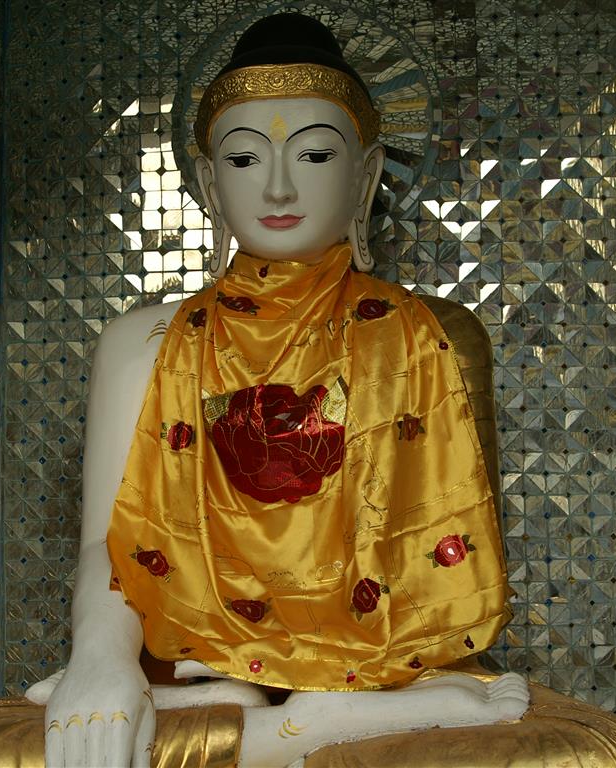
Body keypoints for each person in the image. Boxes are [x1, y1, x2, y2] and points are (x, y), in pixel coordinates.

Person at [32, 13, 529, 767]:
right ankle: (308, 722)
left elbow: (437, 554)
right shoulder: (143, 342)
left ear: (364, 175)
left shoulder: (429, 334)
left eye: (316, 154)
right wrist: (100, 659)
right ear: (209, 182)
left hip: (386, 659)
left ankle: (292, 716)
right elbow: (110, 541)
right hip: (194, 653)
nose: (277, 185)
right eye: (242, 158)